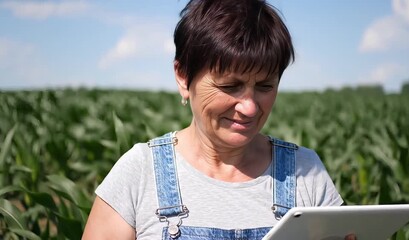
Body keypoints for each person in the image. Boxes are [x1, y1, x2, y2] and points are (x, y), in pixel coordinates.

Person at [83, 0, 356, 239]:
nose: (249, 108)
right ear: (183, 76)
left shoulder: (305, 173)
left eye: (265, 86)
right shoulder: (139, 174)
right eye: (230, 86)